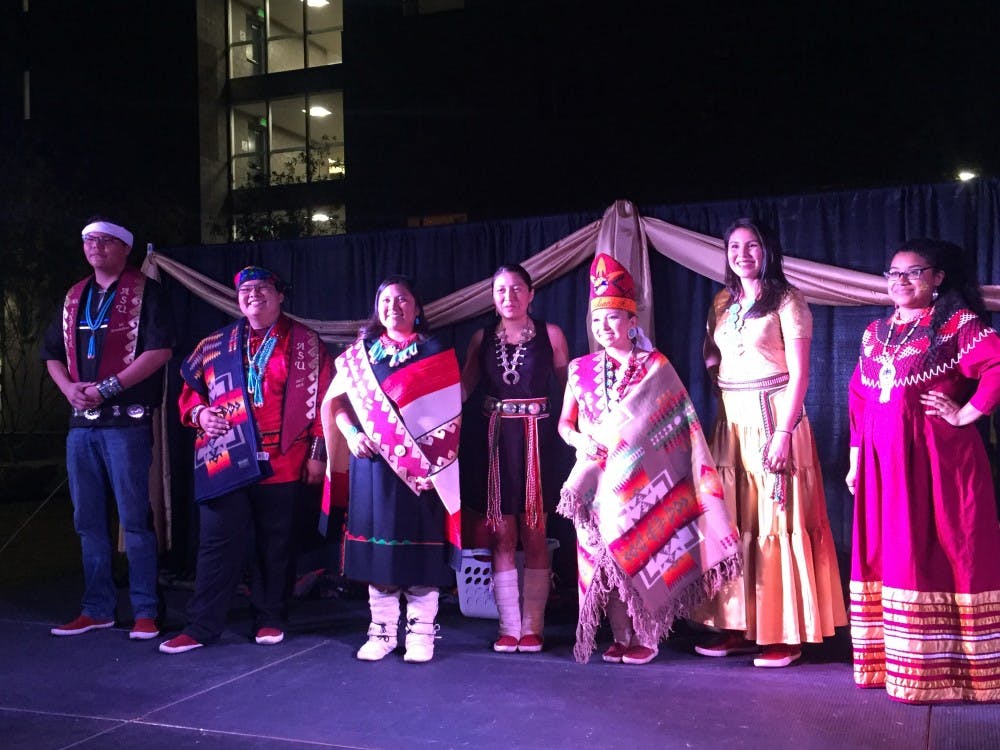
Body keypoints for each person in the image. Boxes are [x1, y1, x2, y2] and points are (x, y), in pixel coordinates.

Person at [557, 253, 741, 665]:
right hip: (596, 480)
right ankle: (620, 634)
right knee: (605, 563)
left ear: (631, 321)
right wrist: (579, 441)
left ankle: (647, 636)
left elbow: (679, 426)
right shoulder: (579, 370)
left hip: (644, 480)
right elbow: (565, 424)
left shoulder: (655, 367)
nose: (604, 328)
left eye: (613, 318)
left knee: (640, 549)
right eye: (597, 319)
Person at [846, 238, 1000, 703]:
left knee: (943, 552)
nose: (901, 281)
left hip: (937, 463)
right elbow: (859, 396)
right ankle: (894, 666)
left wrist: (966, 413)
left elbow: (996, 364)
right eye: (894, 273)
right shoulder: (875, 332)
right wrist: (856, 461)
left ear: (937, 278)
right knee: (891, 552)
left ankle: (958, 673)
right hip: (882, 467)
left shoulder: (955, 325)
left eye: (913, 273)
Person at [694, 218, 846, 667]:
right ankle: (741, 626)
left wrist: (783, 431)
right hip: (732, 423)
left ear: (768, 250)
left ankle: (784, 633)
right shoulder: (721, 301)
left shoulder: (789, 300)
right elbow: (712, 354)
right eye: (734, 246)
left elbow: (800, 374)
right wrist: (720, 379)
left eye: (752, 246)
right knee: (735, 523)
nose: (742, 254)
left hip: (775, 417)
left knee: (776, 522)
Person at [159, 266, 332, 654]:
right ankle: (201, 625)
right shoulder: (215, 343)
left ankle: (270, 617)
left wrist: (318, 454)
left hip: (285, 457)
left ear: (280, 294)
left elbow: (326, 402)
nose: (253, 294)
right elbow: (190, 392)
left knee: (276, 543)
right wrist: (201, 415)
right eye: (245, 290)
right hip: (227, 457)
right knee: (217, 543)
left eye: (262, 288)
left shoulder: (306, 342)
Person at [43, 217, 174, 641]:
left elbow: (160, 349)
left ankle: (145, 610)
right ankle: (97, 607)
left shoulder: (146, 292)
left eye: (104, 240)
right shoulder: (73, 296)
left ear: (124, 248)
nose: (95, 245)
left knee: (134, 519)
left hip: (126, 421)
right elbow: (51, 353)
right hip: (82, 424)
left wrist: (111, 386)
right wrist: (69, 390)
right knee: (87, 519)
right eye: (88, 240)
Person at [321, 276, 462, 663]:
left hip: (424, 471)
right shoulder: (361, 356)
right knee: (379, 554)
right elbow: (337, 405)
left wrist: (436, 461)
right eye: (386, 300)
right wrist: (350, 436)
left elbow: (451, 412)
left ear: (417, 308)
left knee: (421, 552)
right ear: (376, 307)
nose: (394, 306)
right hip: (374, 469)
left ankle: (421, 633)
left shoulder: (436, 350)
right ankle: (381, 632)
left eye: (403, 299)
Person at [459, 264, 569, 653]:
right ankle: (508, 626)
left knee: (536, 532)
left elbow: (571, 393)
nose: (510, 297)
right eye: (502, 291)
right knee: (502, 534)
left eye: (517, 289)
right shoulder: (481, 338)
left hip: (538, 441)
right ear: (493, 297)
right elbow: (462, 391)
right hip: (494, 442)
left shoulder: (551, 335)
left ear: (532, 293)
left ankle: (533, 627)